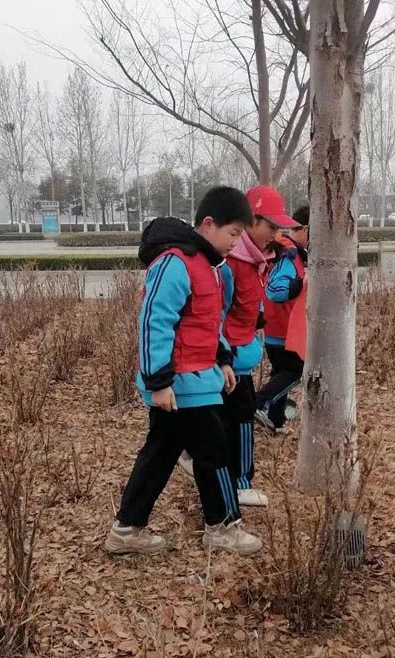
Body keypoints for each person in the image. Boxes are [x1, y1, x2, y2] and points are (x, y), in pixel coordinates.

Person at [104, 187, 264, 556]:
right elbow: (154, 322)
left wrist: (223, 359)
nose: (236, 243)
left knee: (160, 454)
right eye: (234, 234)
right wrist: (158, 382)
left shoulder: (207, 267)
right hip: (180, 383)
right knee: (214, 450)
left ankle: (127, 529)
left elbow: (209, 323)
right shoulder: (174, 263)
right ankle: (223, 526)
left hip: (195, 379)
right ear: (209, 224)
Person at [190, 185, 299, 509]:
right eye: (271, 226)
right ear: (250, 221)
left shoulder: (256, 259)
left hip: (241, 353)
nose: (276, 234)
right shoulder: (229, 263)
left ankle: (239, 482)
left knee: (238, 419)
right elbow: (216, 313)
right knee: (233, 421)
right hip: (229, 359)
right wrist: (222, 354)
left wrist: (258, 318)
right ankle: (236, 486)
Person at [255, 205, 309, 432]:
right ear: (306, 229)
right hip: (282, 330)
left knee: (281, 374)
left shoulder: (281, 248)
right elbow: (275, 290)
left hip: (275, 327)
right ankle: (258, 403)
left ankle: (276, 421)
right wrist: (302, 284)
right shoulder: (289, 253)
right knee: (299, 371)